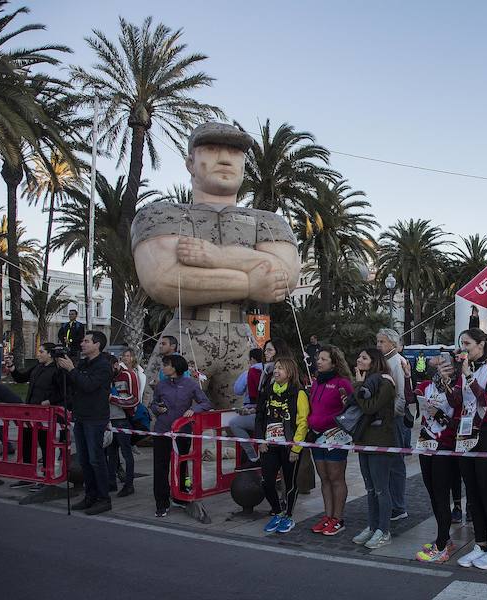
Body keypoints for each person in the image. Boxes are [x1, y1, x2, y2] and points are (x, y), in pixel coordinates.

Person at [132, 122, 301, 410]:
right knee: (164, 423)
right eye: (211, 149)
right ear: (190, 163)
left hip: (242, 341)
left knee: (252, 422)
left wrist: (215, 257)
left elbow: (284, 278)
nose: (225, 159)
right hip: (184, 337)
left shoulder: (270, 221)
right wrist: (250, 281)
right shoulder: (160, 214)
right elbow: (163, 279)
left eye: (235, 153)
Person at [433, 329, 487, 570]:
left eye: (467, 343)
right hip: (464, 433)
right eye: (461, 344)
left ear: (482, 344)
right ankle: (480, 544)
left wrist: (468, 375)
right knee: (473, 495)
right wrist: (448, 384)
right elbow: (458, 402)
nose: (463, 348)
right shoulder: (469, 369)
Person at [56, 331, 114, 515]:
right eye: (82, 341)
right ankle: (90, 495)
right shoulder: (83, 363)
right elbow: (73, 385)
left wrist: (72, 369)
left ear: (97, 345)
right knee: (84, 460)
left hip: (95, 418)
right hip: (80, 416)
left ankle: (103, 498)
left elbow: (89, 386)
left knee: (96, 459)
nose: (82, 344)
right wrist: (63, 369)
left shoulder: (103, 366)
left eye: (86, 341)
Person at [150, 353, 212, 517]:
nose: (163, 367)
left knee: (181, 466)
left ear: (176, 367)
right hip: (162, 430)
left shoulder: (190, 384)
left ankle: (181, 496)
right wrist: (157, 408)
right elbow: (153, 403)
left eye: (167, 364)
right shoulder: (161, 385)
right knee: (160, 467)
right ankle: (161, 503)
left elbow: (206, 403)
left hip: (183, 432)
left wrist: (194, 410)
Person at [414, 359, 462, 562]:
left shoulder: (458, 389)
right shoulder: (427, 385)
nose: (444, 368)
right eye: (441, 365)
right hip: (426, 443)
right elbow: (411, 397)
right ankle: (444, 538)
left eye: (449, 366)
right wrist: (409, 374)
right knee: (432, 493)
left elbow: (458, 419)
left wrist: (440, 415)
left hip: (445, 446)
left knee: (442, 495)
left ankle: (442, 545)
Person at [350, 348, 398, 549]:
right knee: (370, 488)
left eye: (364, 357)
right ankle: (372, 526)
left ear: (374, 361)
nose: (359, 360)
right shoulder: (368, 381)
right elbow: (359, 403)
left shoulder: (386, 382)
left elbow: (370, 407)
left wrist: (359, 385)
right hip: (363, 439)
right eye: (359, 356)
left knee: (380, 489)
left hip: (380, 441)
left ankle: (383, 530)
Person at [256, 357, 309, 534]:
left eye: (281, 368)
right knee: (267, 481)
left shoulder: (298, 392)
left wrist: (296, 447)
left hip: (289, 447)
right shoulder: (268, 390)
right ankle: (277, 512)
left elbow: (303, 422)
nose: (276, 371)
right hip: (269, 445)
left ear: (290, 372)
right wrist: (260, 439)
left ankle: (288, 515)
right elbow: (260, 416)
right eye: (276, 368)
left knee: (290, 483)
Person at [4, 343, 67, 490]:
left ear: (50, 354)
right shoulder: (37, 367)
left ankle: (46, 477)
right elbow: (21, 378)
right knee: (27, 444)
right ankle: (28, 476)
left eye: (41, 351)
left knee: (45, 446)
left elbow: (64, 392)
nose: (38, 354)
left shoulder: (58, 371)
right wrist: (12, 367)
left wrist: (49, 401)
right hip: (30, 413)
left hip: (46, 415)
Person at [308, 345, 354, 536]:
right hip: (316, 436)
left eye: (324, 359)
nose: (319, 361)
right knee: (324, 478)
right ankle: (327, 516)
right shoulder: (317, 382)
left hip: (335, 436)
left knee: (336, 477)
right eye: (318, 359)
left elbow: (351, 408)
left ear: (334, 362)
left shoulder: (342, 383)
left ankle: (338, 518)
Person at [376, 328, 409, 522]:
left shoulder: (396, 362)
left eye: (382, 342)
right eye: (377, 341)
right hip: (386, 419)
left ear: (393, 344)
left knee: (396, 463)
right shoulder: (385, 361)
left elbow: (401, 395)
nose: (378, 345)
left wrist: (393, 415)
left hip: (393, 420)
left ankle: (398, 505)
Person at [107, 354, 138, 498]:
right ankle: (111, 482)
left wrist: (112, 398)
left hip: (123, 419)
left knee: (126, 453)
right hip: (109, 420)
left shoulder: (128, 376)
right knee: (111, 453)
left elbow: (134, 399)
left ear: (115, 365)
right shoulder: (108, 377)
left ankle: (129, 484)